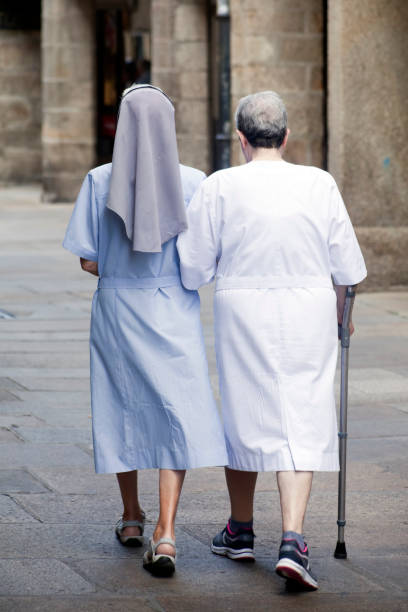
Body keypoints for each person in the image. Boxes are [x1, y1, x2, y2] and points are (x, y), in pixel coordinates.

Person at [177, 91, 367, 590]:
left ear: (240, 139)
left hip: (244, 308)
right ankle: (293, 539)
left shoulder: (220, 186)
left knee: (244, 412)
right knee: (301, 413)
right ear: (286, 137)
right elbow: (348, 267)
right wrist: (344, 313)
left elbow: (193, 267)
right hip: (308, 308)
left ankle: (240, 530)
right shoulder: (318, 183)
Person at [63, 85, 228, 577]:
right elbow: (201, 260)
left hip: (117, 306)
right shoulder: (195, 182)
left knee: (122, 407)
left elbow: (88, 259)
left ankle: (131, 516)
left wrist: (122, 270)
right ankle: (167, 530)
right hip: (172, 307)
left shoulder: (98, 180)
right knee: (175, 410)